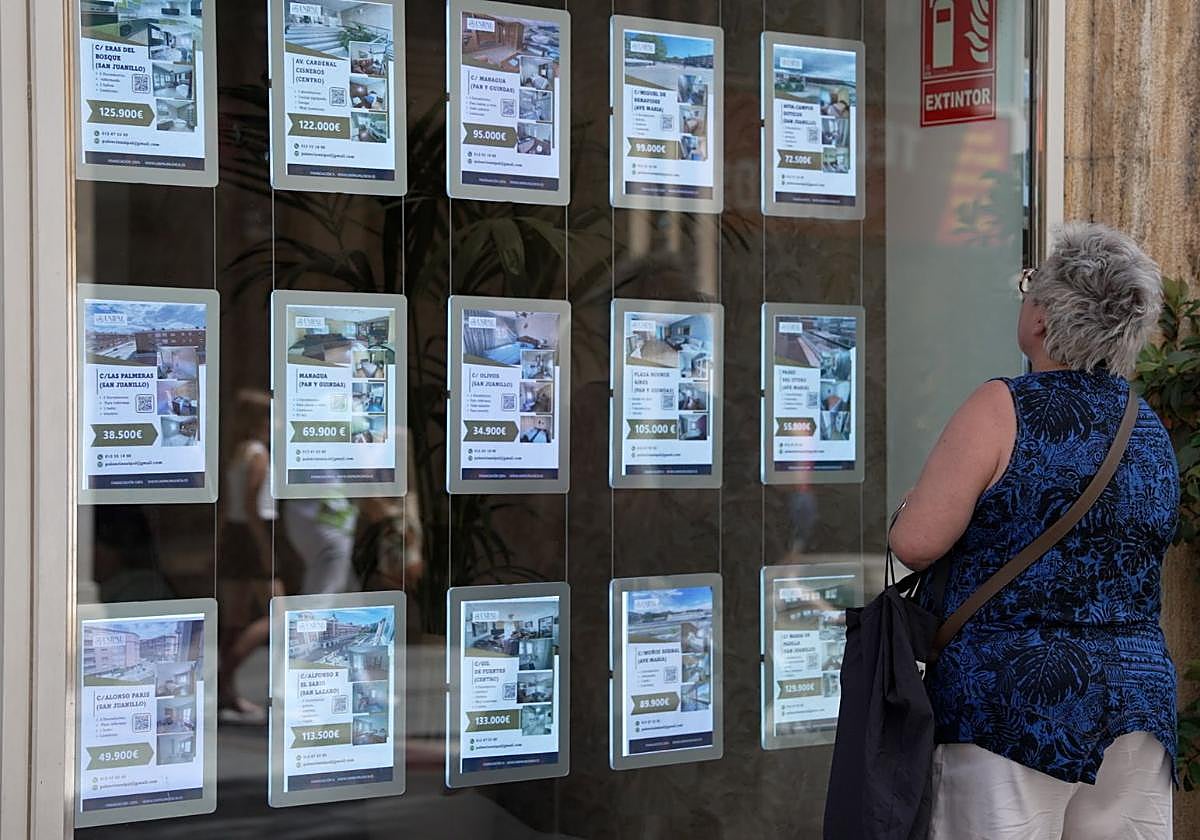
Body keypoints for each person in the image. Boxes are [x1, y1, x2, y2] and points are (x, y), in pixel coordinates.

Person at [889, 222, 1178, 839]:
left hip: (1009, 706)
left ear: (1043, 317)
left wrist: (910, 506)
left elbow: (915, 543)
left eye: (1028, 288)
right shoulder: (1148, 426)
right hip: (1136, 702)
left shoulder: (1002, 406)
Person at [217, 388, 281, 723]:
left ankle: (226, 689)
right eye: (268, 417)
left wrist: (222, 540)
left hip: (235, 534)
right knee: (278, 614)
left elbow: (229, 505)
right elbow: (255, 507)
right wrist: (265, 550)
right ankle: (224, 676)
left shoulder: (237, 452)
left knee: (236, 619)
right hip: (256, 534)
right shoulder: (258, 453)